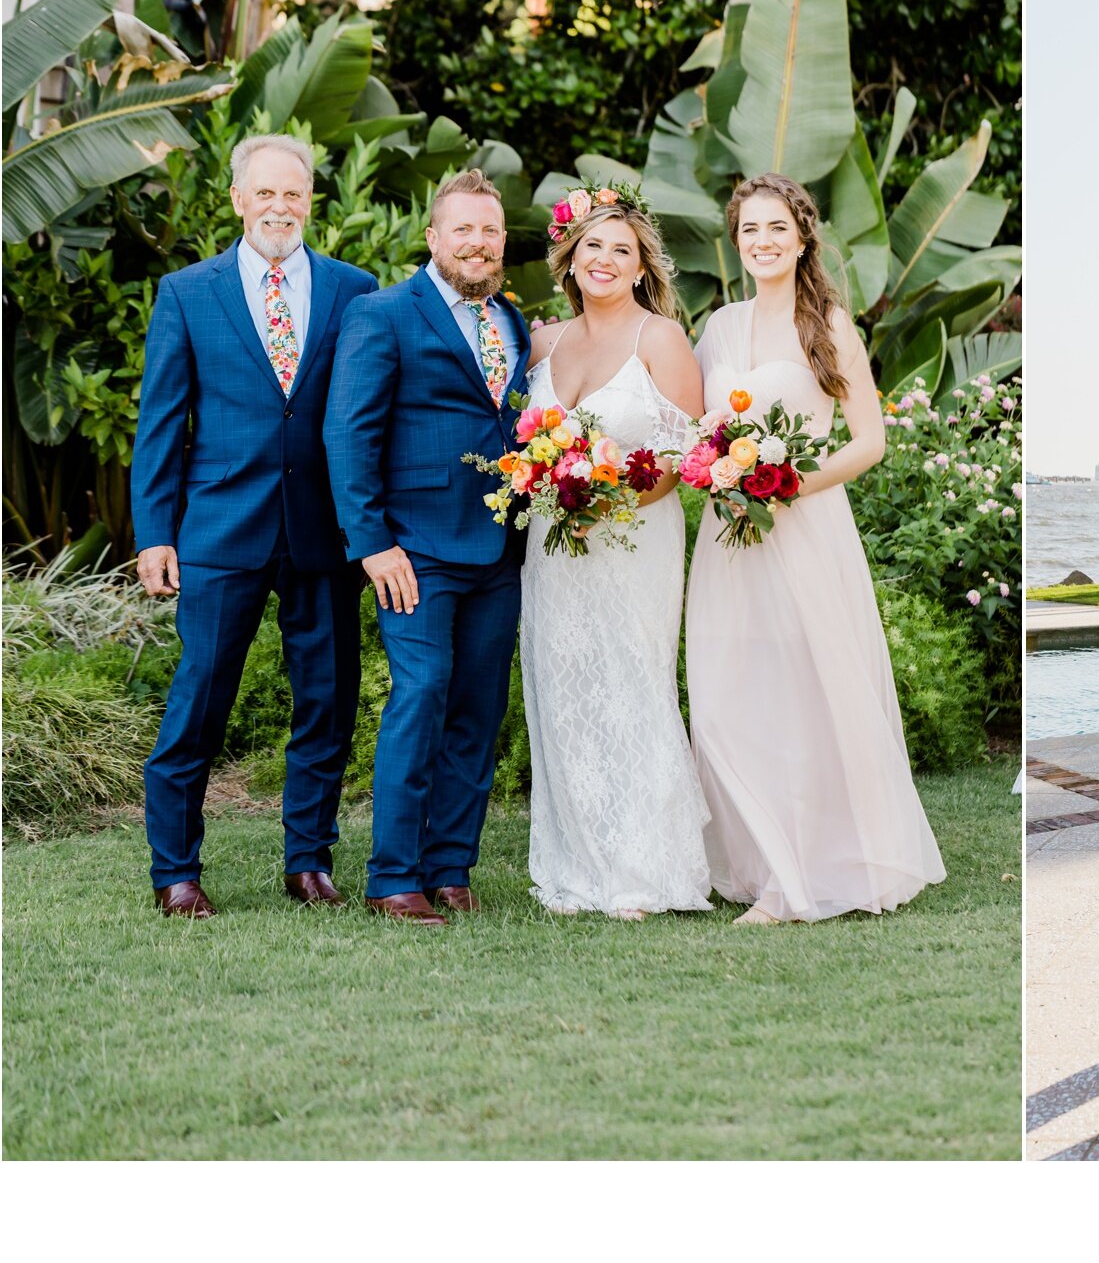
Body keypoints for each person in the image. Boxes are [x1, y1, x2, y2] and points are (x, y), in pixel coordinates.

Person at [685, 173, 946, 923]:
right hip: (730, 536)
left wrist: (789, 485)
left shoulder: (827, 326)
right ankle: (756, 857)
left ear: (802, 239)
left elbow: (870, 442)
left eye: (776, 229)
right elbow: (706, 430)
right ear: (736, 245)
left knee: (800, 697)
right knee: (726, 698)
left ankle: (793, 878)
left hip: (804, 531)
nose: (762, 242)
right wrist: (721, 471)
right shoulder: (719, 329)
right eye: (749, 231)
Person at [130, 134, 376, 918]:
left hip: (323, 532)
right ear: (238, 199)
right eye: (264, 193)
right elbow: (163, 425)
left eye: (293, 194)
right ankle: (176, 871)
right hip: (220, 530)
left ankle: (308, 862)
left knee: (328, 704)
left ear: (311, 202)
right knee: (199, 699)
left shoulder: (354, 290)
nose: (279, 207)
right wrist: (154, 533)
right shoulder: (187, 293)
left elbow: (366, 418)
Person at [324, 170, 529, 926]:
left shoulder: (512, 318)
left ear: (503, 242)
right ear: (434, 238)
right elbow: (348, 432)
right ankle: (392, 877)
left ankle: (451, 866)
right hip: (414, 551)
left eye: (491, 231)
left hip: (499, 550)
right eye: (464, 230)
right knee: (420, 696)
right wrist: (372, 542)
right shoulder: (382, 314)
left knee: (480, 709)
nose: (479, 244)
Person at [520, 186, 714, 919]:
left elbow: (686, 455)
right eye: (592, 246)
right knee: (562, 690)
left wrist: (609, 499)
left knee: (634, 688)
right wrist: (554, 484)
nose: (604, 259)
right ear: (571, 257)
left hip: (635, 541)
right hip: (552, 545)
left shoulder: (659, 339)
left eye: (621, 250)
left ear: (641, 268)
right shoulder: (543, 342)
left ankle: (647, 870)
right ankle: (578, 864)